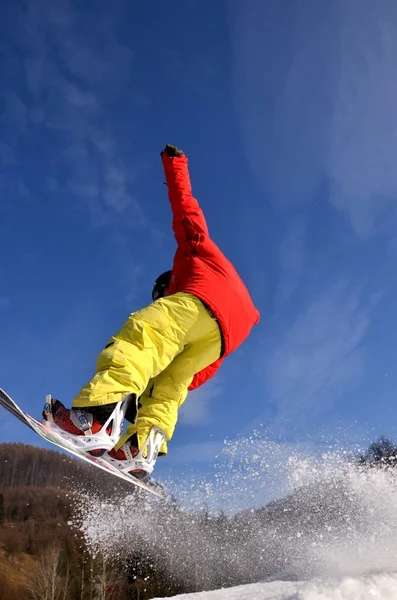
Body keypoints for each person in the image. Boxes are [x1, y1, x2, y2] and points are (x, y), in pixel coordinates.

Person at [45, 144, 260, 478]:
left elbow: (186, 209)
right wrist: (142, 392)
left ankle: (94, 419)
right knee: (169, 386)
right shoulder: (209, 319)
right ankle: (138, 451)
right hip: (230, 332)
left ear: (165, 286)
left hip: (206, 297)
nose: (157, 300)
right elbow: (196, 374)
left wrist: (175, 164)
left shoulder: (194, 256)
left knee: (140, 336)